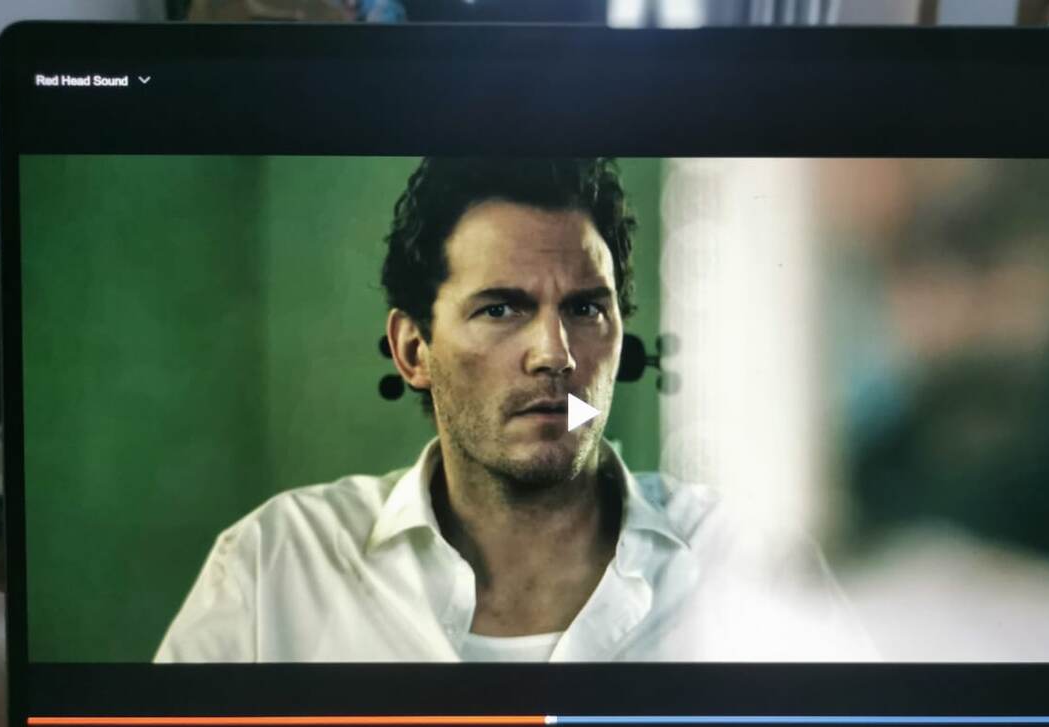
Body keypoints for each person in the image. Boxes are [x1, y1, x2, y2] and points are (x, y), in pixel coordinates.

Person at [155, 157, 874, 663]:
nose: (554, 355)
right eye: (501, 309)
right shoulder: (276, 565)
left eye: (586, 309)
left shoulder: (739, 562)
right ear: (413, 350)